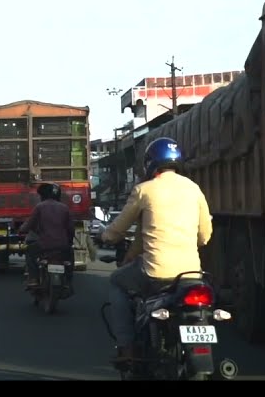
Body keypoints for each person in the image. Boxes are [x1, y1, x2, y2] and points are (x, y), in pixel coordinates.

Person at [100, 137, 213, 365]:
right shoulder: (194, 189)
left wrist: (106, 236)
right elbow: (205, 236)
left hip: (154, 274)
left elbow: (117, 229)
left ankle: (126, 347)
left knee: (116, 282)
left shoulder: (144, 190)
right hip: (192, 275)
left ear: (150, 163)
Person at [17, 182, 75, 289]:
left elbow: (29, 224)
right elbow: (71, 229)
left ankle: (33, 278)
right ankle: (68, 281)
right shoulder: (65, 208)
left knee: (30, 252)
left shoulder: (40, 207)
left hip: (44, 245)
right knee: (70, 256)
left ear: (42, 196)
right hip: (62, 246)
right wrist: (69, 242)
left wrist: (21, 230)